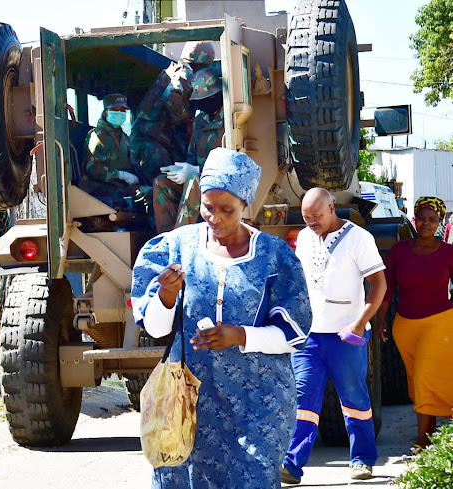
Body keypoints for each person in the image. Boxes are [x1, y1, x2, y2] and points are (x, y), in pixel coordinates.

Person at [132, 148, 312, 488]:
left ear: (245, 205)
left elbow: (295, 331)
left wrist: (241, 335)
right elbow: (155, 329)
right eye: (207, 207)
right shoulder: (175, 248)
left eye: (226, 210)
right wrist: (166, 297)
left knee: (254, 478)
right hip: (189, 402)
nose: (215, 217)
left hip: (260, 402)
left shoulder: (275, 258)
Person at [281, 188, 387, 485]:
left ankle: (362, 460)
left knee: (353, 398)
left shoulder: (358, 238)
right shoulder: (303, 237)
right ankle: (292, 464)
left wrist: (359, 323)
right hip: (308, 337)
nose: (311, 222)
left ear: (331, 208)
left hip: (346, 336)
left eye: (316, 216)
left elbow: (379, 285)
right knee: (303, 397)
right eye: (306, 217)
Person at [377, 196, 453, 451]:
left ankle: (421, 441)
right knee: (418, 381)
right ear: (415, 219)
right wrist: (381, 319)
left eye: (433, 220)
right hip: (405, 326)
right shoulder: (399, 251)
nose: (426, 224)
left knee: (425, 377)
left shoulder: (448, 252)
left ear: (439, 223)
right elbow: (386, 289)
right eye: (422, 218)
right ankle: (430, 436)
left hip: (440, 322)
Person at [130, 40, 216, 180]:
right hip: (148, 137)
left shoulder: (179, 69)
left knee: (178, 167)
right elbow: (171, 96)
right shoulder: (185, 72)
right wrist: (186, 122)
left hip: (158, 137)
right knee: (166, 176)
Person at [153, 67, 223, 233]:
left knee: (194, 179)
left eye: (208, 97)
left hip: (220, 182)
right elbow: (192, 154)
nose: (203, 102)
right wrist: (183, 169)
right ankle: (165, 240)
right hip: (198, 177)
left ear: (217, 95)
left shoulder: (230, 119)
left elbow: (232, 161)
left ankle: (180, 238)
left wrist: (197, 171)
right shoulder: (200, 121)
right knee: (161, 182)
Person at [77, 93, 149, 209]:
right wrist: (122, 175)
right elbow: (93, 169)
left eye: (123, 110)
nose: (120, 113)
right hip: (100, 188)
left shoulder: (124, 138)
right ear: (106, 113)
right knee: (149, 194)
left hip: (118, 187)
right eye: (115, 109)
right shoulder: (98, 136)